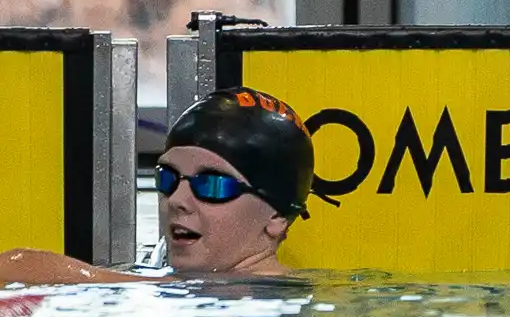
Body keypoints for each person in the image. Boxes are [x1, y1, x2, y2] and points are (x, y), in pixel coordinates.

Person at [1, 88, 316, 285]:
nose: (177, 199)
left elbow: (16, 269)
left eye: (212, 185)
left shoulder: (267, 305)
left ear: (276, 217)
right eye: (168, 178)